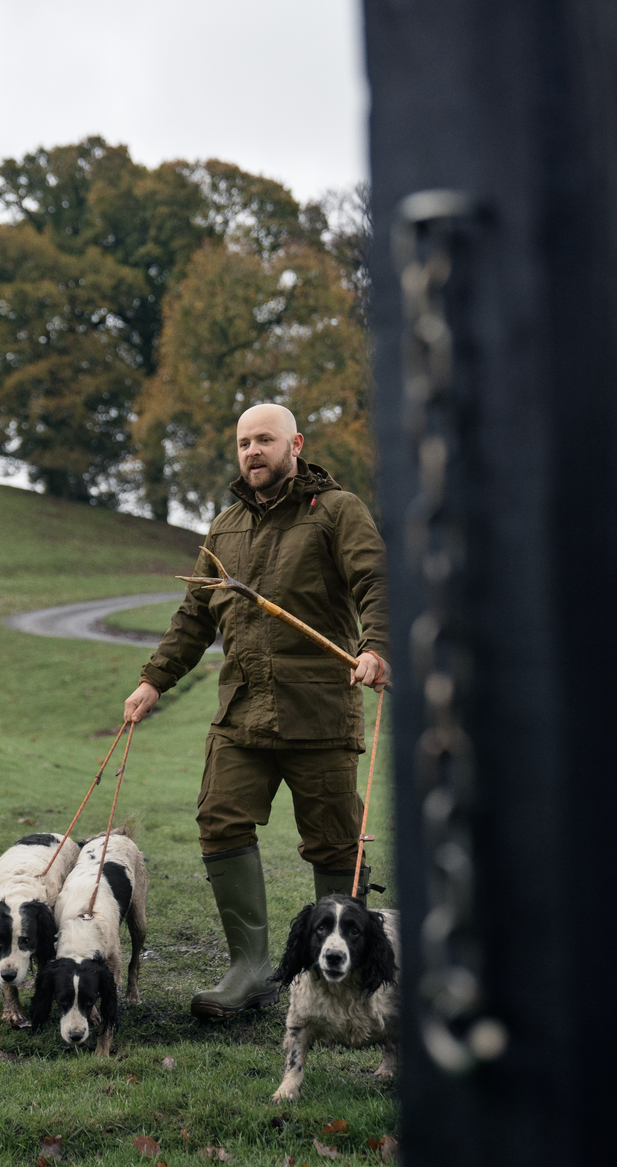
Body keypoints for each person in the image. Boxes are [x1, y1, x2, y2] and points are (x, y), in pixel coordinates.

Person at [122, 403, 390, 1019]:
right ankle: (249, 969)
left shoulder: (337, 511)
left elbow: (376, 581)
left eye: (264, 440)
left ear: (294, 443)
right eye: (243, 442)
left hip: (320, 710)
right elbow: (193, 616)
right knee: (219, 820)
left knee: (333, 841)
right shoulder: (224, 528)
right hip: (242, 714)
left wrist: (375, 646)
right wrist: (153, 681)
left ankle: (340, 972)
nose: (252, 452)